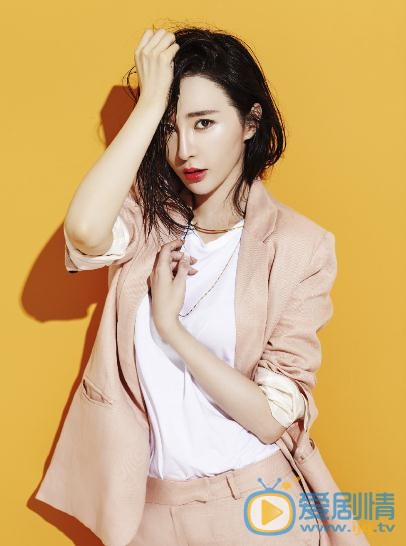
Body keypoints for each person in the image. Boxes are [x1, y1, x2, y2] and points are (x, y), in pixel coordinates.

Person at [36, 26, 370, 546]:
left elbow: (270, 418)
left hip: (255, 508)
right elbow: (83, 232)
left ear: (250, 122)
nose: (185, 149)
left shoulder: (300, 247)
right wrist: (149, 107)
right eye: (171, 129)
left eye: (204, 123)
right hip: (148, 512)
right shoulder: (147, 222)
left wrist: (172, 330)